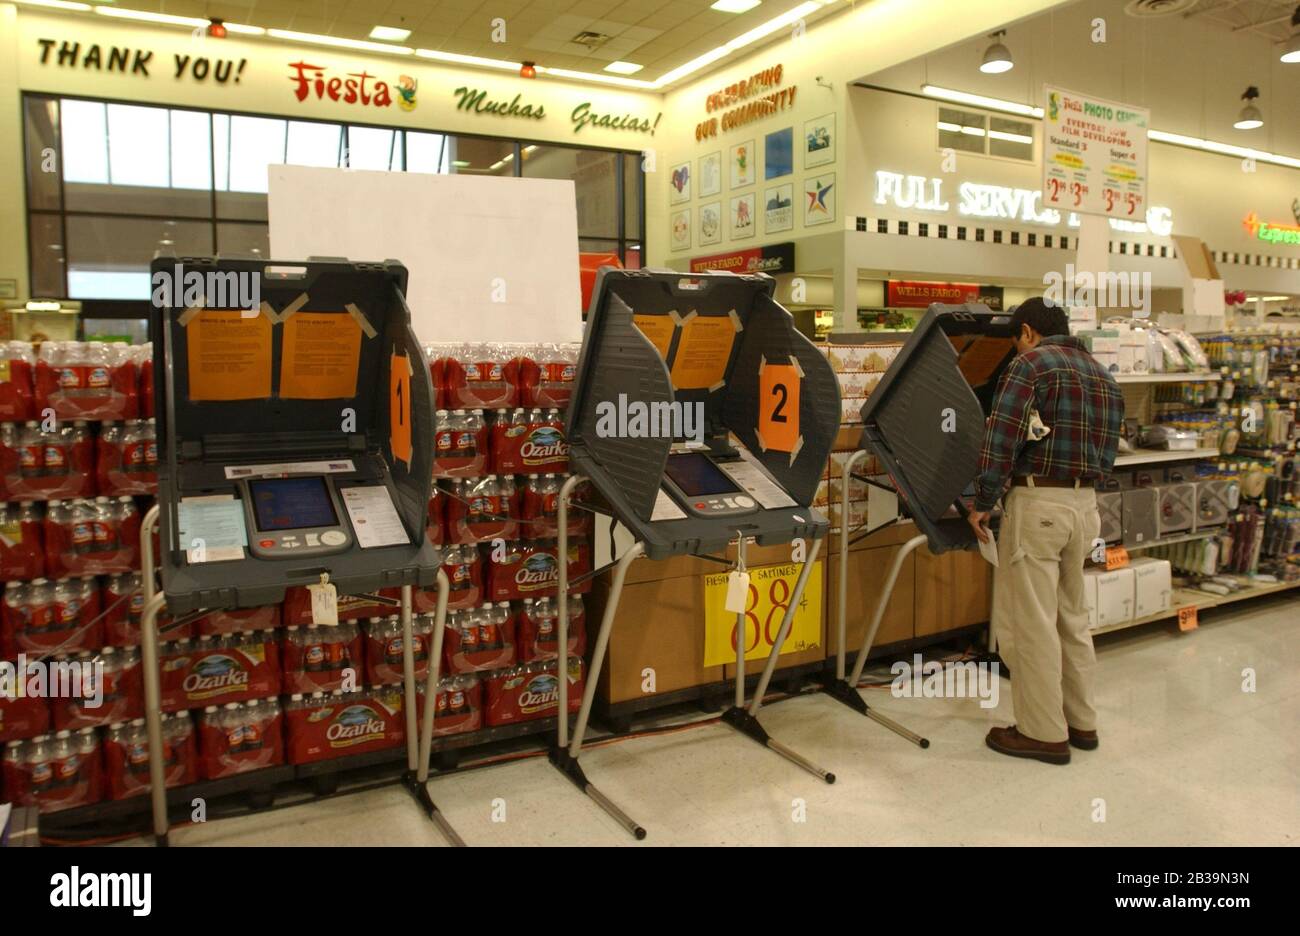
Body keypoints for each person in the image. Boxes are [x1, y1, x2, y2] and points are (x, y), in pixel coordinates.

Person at [966, 297, 1123, 765]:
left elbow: (1003, 438)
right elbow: (1109, 452)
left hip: (1039, 504)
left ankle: (1041, 733)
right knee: (1072, 618)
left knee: (1031, 622)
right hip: (1084, 506)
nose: (1016, 351)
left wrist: (983, 500)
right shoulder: (1103, 375)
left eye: (1016, 342)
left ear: (1027, 332)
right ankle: (1081, 723)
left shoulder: (1030, 366)